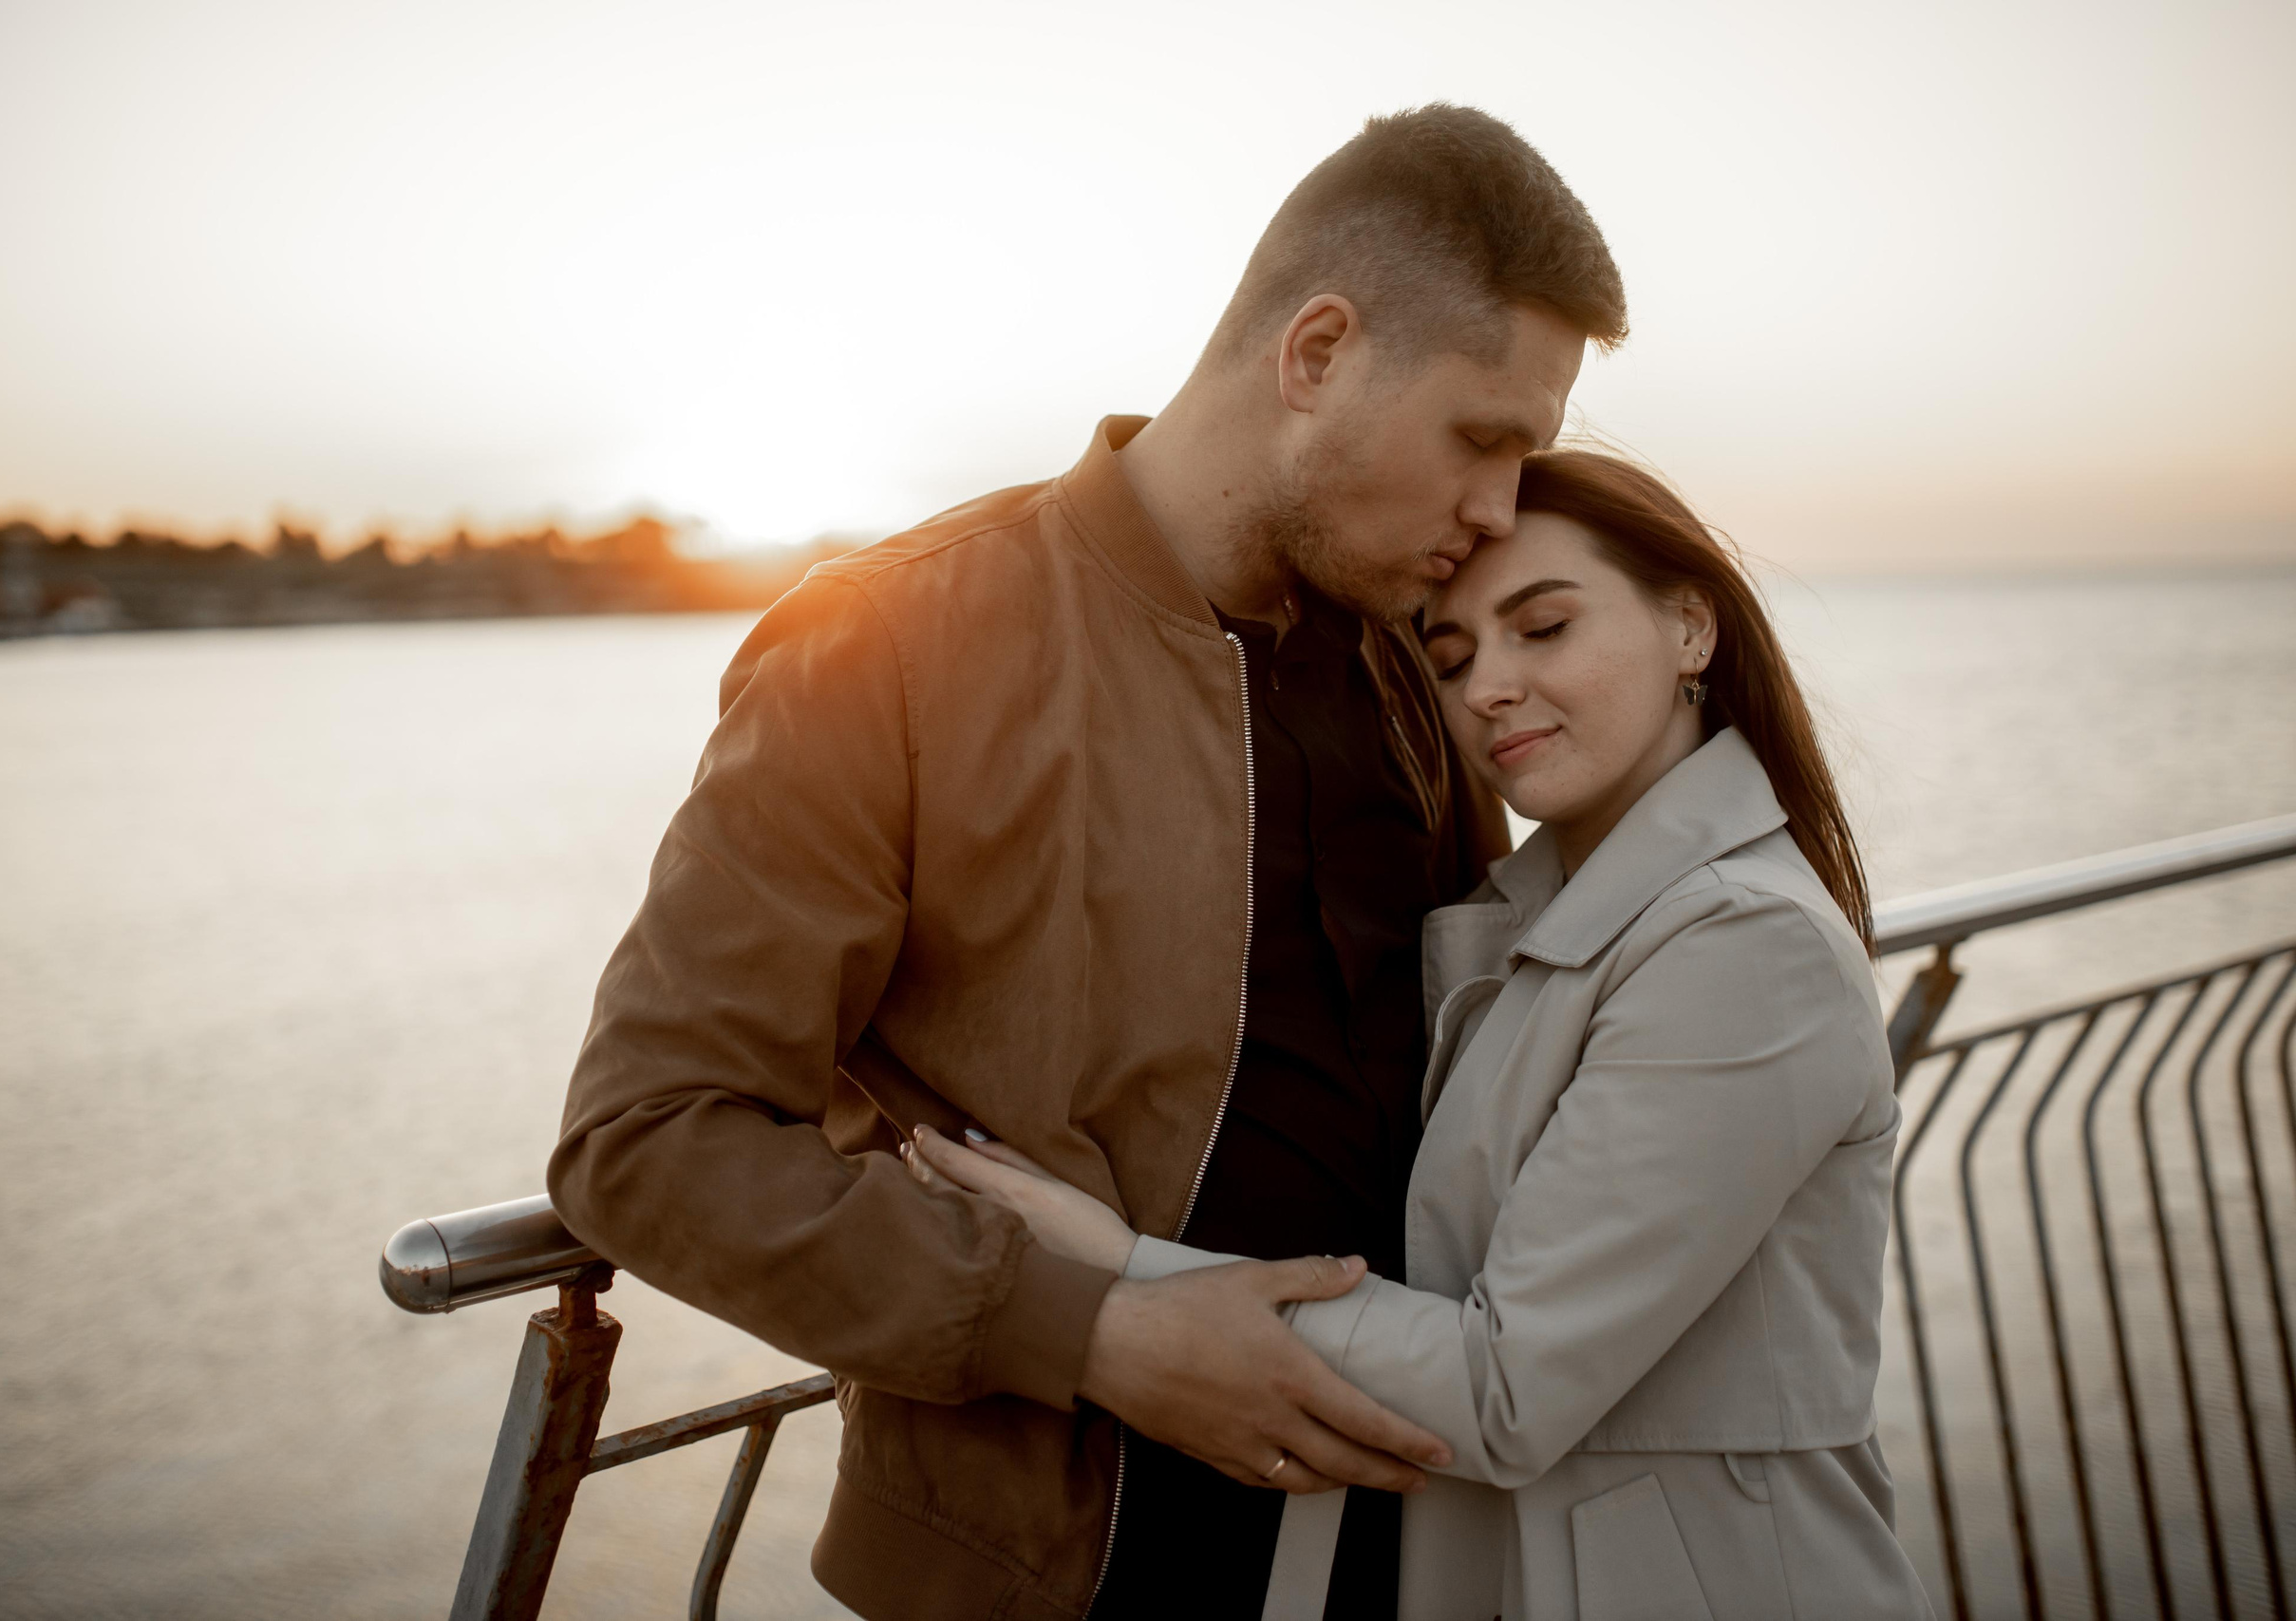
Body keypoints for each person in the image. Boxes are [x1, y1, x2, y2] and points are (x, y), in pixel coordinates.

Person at [548, 105, 1628, 1620]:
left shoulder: (1417, 669)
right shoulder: (893, 642)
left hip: (1418, 1531)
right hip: (1052, 1572)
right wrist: (1096, 1329)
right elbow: (648, 1134)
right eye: (1482, 437)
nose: (1500, 508)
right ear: (1316, 353)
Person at [907, 450, 1938, 1618]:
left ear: (1691, 627)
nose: (1490, 686)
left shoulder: (1744, 947)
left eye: (1543, 627)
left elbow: (1506, 1385)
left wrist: (1113, 1260)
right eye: (1451, 660)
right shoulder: (1559, 912)